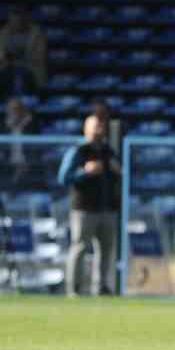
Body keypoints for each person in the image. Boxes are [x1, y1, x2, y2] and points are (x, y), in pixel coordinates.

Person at [57, 112, 121, 297]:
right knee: (79, 248)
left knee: (105, 250)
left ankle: (100, 287)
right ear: (86, 128)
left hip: (107, 208)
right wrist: (85, 172)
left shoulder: (108, 151)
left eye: (101, 125)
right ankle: (74, 288)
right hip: (84, 209)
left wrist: (117, 171)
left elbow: (116, 175)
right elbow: (64, 177)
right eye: (95, 125)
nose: (98, 129)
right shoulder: (78, 151)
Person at [0, 4, 48, 97]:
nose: (18, 19)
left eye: (21, 14)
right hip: (8, 68)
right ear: (10, 18)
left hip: (31, 70)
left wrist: (19, 60)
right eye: (15, 15)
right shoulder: (4, 32)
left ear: (27, 17)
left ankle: (22, 106)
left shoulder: (37, 32)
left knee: (20, 78)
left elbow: (39, 57)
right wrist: (7, 60)